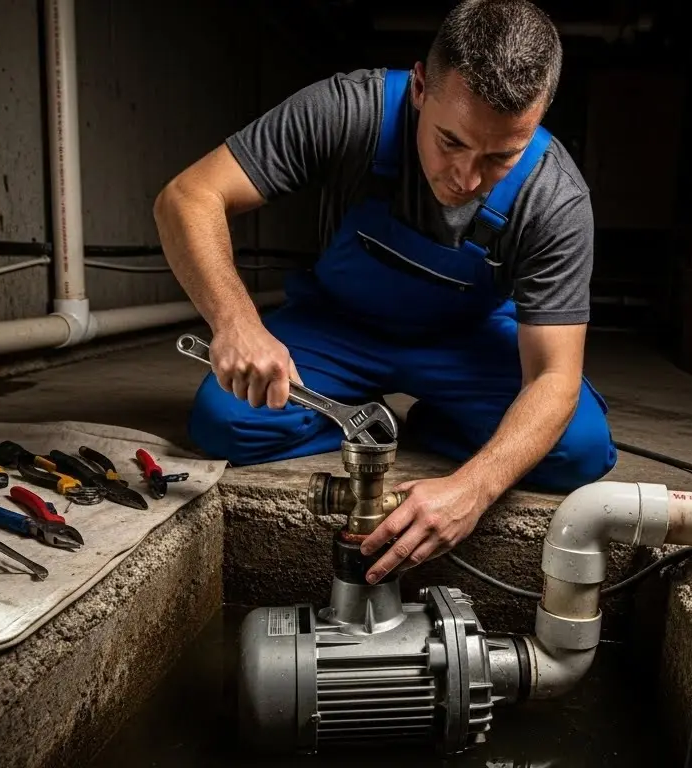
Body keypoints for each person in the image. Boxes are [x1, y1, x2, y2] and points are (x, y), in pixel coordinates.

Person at [154, 0, 617, 586]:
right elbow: (188, 197)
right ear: (421, 87)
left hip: (465, 345)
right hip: (341, 328)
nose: (467, 178)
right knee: (226, 422)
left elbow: (553, 378)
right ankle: (358, 408)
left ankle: (434, 417)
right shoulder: (349, 109)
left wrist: (471, 491)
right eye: (450, 141)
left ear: (539, 116)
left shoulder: (557, 198)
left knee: (577, 450)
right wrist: (236, 322)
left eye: (501, 155)